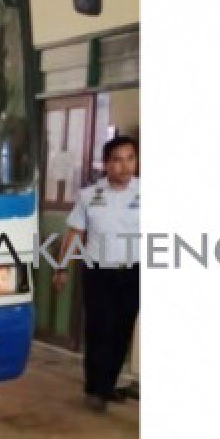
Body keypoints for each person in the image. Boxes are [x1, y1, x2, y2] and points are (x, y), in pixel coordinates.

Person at [53, 136, 140, 413]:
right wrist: (62, 266)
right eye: (118, 160)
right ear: (106, 164)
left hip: (133, 274)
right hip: (98, 274)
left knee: (121, 332)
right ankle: (95, 389)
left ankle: (107, 384)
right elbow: (75, 233)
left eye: (130, 159)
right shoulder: (90, 195)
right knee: (98, 329)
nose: (125, 166)